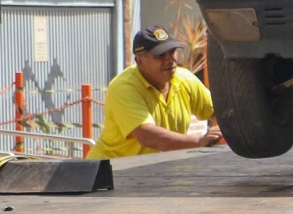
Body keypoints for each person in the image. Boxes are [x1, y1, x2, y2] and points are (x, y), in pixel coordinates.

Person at [87, 28, 221, 159]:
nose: (170, 60)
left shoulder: (184, 79)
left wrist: (220, 133)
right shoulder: (124, 87)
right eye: (160, 55)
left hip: (152, 170)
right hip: (109, 172)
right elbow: (146, 135)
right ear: (140, 61)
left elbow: (220, 114)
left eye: (172, 52)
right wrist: (198, 141)